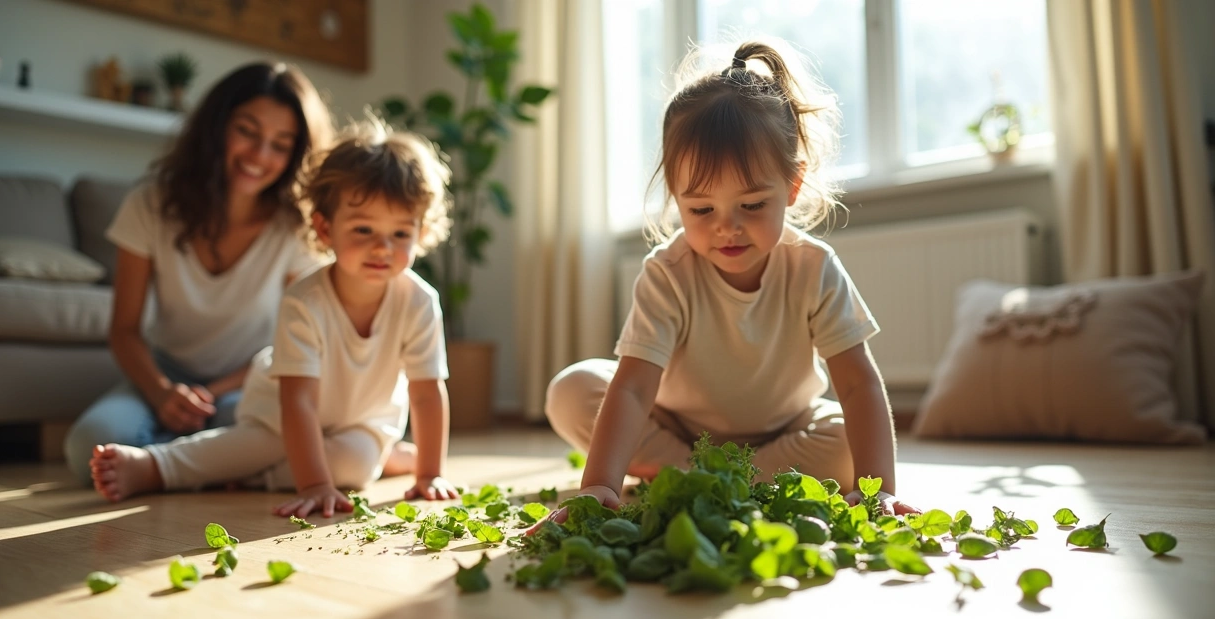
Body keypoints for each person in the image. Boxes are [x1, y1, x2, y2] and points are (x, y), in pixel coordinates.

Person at [545, 40, 917, 518]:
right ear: (676, 198)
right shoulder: (667, 273)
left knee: (848, 443)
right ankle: (711, 472)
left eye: (753, 205)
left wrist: (878, 490)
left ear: (792, 185)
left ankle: (692, 477)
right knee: (572, 391)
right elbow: (635, 388)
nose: (727, 226)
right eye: (701, 209)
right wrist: (598, 485)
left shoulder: (814, 266)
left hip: (786, 431)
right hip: (676, 428)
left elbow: (859, 384)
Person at [89, 122, 460, 517]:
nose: (382, 248)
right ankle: (155, 467)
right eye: (364, 229)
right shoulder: (305, 299)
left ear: (421, 233)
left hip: (361, 420)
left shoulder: (420, 301)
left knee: (354, 468)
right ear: (324, 228)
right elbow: (298, 401)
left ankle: (257, 477)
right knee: (257, 445)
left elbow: (425, 392)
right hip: (280, 412)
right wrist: (315, 485)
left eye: (401, 234)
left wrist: (430, 474)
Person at [63, 62, 334, 483]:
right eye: (247, 131)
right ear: (217, 126)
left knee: (248, 436)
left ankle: (164, 462)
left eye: (281, 144)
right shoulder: (150, 204)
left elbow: (294, 343)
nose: (260, 156)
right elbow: (125, 330)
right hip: (164, 376)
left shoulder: (296, 229)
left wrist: (211, 393)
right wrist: (160, 391)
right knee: (90, 445)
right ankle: (180, 455)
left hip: (248, 382)